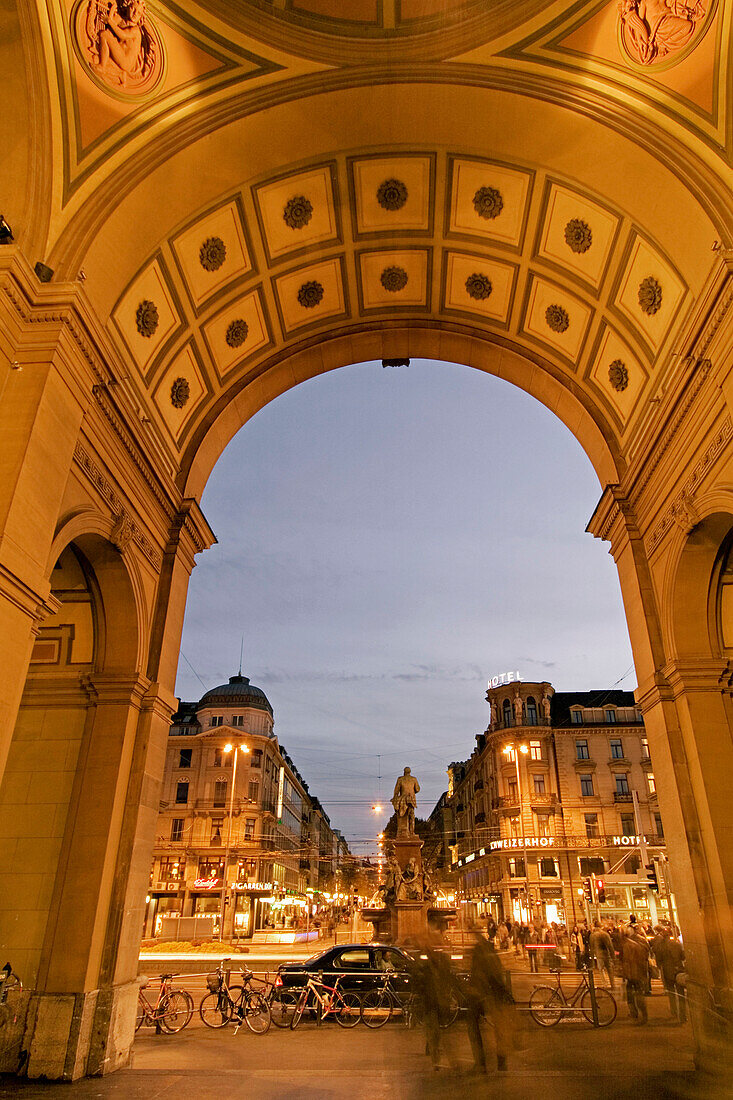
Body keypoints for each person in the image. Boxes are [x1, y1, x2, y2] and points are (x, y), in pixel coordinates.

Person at [464, 930, 515, 1073]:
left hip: (482, 994)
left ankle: (481, 1063)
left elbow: (477, 974)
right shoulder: (490, 952)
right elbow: (498, 973)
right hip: (494, 994)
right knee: (498, 1027)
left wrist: (472, 989)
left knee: (473, 1026)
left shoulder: (479, 951)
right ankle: (501, 1060)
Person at [654, 928, 686, 1023]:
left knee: (672, 993)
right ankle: (683, 1015)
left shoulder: (661, 947)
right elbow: (683, 956)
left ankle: (674, 1012)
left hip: (667, 971)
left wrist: (660, 967)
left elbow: (658, 960)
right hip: (678, 970)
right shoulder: (677, 944)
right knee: (681, 994)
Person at [620, 926, 650, 1024]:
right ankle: (640, 1014)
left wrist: (625, 973)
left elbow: (627, 961)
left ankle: (637, 1014)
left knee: (634, 994)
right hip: (638, 972)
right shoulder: (639, 942)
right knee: (636, 993)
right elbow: (646, 954)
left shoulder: (628, 945)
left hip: (633, 973)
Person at [589, 920, 615, 990]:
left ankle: (605, 984)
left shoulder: (592, 935)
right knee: (610, 970)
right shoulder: (605, 934)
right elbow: (610, 946)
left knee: (601, 970)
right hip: (607, 954)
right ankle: (612, 984)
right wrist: (613, 956)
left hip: (599, 955)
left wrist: (591, 958)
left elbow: (591, 947)